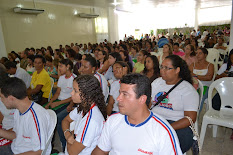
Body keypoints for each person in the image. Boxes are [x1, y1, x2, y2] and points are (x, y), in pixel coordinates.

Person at [92, 73, 182, 155]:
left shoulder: (162, 131)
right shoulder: (113, 120)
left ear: (142, 99)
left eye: (125, 94)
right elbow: (101, 150)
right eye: (120, 93)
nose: (118, 98)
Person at [151, 55, 199, 153]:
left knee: (174, 144)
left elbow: (190, 118)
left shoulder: (187, 89)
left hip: (177, 124)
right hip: (156, 120)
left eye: (167, 68)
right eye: (162, 67)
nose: (162, 70)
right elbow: (147, 104)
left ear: (177, 70)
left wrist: (167, 128)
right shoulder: (156, 83)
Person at [0, 77, 53, 155]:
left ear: (11, 98)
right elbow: (16, 135)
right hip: (16, 148)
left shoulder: (36, 117)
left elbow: (38, 152)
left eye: (2, 97)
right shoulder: (19, 110)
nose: (1, 100)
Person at [62, 75, 107, 155]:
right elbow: (65, 120)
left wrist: (71, 134)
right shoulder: (83, 107)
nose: (71, 93)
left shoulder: (91, 121)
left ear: (87, 94)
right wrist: (68, 134)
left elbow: (72, 152)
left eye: (75, 91)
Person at [189, 48, 214, 112]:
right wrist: (203, 77)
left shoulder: (210, 65)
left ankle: (196, 113)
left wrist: (196, 76)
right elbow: (189, 75)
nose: (197, 55)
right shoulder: (193, 64)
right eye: (197, 53)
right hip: (194, 85)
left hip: (205, 86)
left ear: (205, 55)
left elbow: (209, 78)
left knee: (200, 96)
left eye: (200, 53)